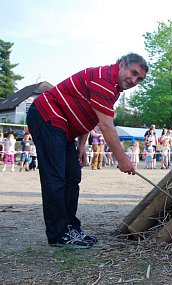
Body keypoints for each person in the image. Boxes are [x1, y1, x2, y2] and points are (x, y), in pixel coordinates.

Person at [26, 52, 148, 249]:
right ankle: (58, 234)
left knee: (73, 176)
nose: (134, 80)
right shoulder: (104, 80)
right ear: (121, 65)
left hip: (65, 127)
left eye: (139, 79)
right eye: (133, 73)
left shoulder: (113, 88)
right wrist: (122, 159)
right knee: (56, 177)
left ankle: (69, 227)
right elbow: (107, 125)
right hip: (47, 115)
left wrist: (82, 145)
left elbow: (88, 115)